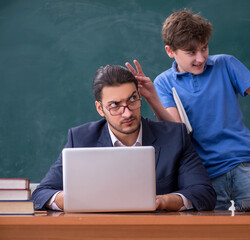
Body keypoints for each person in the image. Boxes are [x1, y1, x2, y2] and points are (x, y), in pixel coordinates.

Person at [125, 9, 250, 210]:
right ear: (170, 51)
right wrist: (151, 97)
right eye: (191, 52)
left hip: (246, 167)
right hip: (204, 176)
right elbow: (178, 130)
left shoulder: (226, 64)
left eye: (204, 48)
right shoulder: (164, 82)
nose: (200, 58)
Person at [31, 65, 216, 211]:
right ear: (99, 108)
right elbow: (41, 193)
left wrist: (164, 201)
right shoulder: (80, 138)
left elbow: (204, 193)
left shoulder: (174, 136)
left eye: (132, 100)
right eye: (115, 105)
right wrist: (69, 199)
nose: (127, 113)